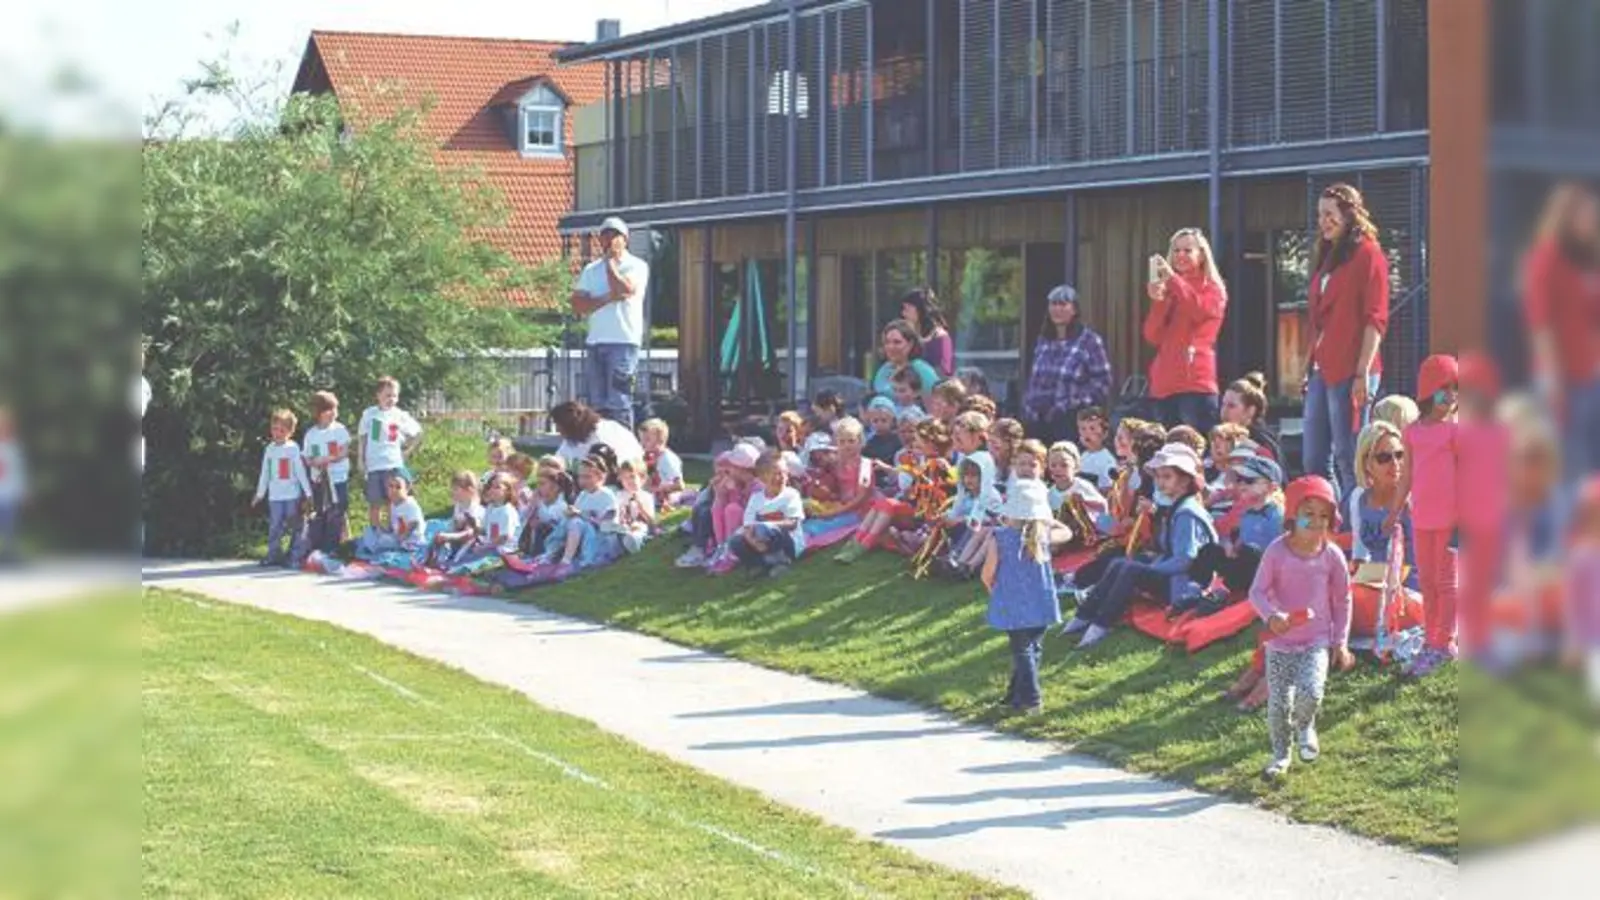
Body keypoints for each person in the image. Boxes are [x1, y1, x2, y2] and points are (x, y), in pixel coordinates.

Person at [1248, 475, 1354, 779]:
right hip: (1280, 644)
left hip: (1316, 641)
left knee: (1312, 691)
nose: (1318, 523)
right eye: (1310, 515)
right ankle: (1280, 756)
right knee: (1279, 705)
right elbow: (1257, 592)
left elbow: (1343, 600)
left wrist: (1341, 642)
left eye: (1325, 516)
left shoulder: (1332, 555)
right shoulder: (1276, 552)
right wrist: (1271, 616)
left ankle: (1306, 725)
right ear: (1292, 515)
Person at [1063, 444, 1216, 648]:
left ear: (1185, 480)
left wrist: (1150, 569)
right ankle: (1085, 615)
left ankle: (1101, 624)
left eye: (1167, 477)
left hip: (1183, 585)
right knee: (1119, 562)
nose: (1160, 483)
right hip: (1173, 574)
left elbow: (1184, 560)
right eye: (1159, 476)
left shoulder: (1186, 513)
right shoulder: (1176, 506)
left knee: (1129, 568)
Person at [1303, 183, 1390, 498]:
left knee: (1348, 455)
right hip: (1322, 368)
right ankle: (1330, 520)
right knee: (1313, 456)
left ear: (1349, 215)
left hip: (1351, 368)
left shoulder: (1368, 254)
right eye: (1320, 215)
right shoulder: (1329, 257)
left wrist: (1362, 371)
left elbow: (1375, 318)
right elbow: (1318, 320)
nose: (1323, 221)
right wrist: (1308, 365)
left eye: (1330, 214)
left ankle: (1358, 530)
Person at [1521, 182, 1600, 477]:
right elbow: (1541, 322)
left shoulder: (1590, 260)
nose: (1592, 221)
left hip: (1592, 374)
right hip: (1563, 377)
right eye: (1586, 215)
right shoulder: (1546, 260)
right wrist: (1552, 379)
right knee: (1570, 459)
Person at [1389, 354, 1461, 677]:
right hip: (1422, 520)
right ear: (1429, 391)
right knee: (1428, 581)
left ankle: (1443, 643)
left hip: (1451, 521)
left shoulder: (1456, 432)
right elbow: (1406, 476)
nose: (1452, 397)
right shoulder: (1412, 432)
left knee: (1448, 583)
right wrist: (1393, 512)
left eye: (1457, 390)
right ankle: (1432, 639)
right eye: (1446, 390)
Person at [980, 479, 1062, 715]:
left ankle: (1032, 699)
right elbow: (1066, 532)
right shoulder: (1044, 536)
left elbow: (988, 571)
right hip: (1041, 600)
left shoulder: (1001, 537)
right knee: (1032, 648)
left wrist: (991, 588)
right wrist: (1049, 521)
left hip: (1012, 600)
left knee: (1021, 649)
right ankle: (1014, 696)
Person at [1142, 228, 1228, 432]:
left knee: (1197, 449)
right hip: (1164, 383)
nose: (1180, 255)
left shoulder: (1213, 289)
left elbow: (1198, 310)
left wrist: (1173, 280)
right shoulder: (1170, 288)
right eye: (1176, 250)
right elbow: (1152, 336)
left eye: (1187, 250)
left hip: (1195, 382)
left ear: (1202, 254)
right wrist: (1158, 302)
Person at [570, 216, 650, 429]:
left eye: (615, 235)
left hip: (623, 341)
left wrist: (612, 264)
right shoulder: (591, 269)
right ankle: (601, 448)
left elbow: (624, 290)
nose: (609, 240)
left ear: (625, 239)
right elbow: (578, 304)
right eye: (605, 235)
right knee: (597, 403)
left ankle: (624, 451)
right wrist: (606, 298)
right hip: (596, 341)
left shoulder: (637, 266)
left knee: (619, 401)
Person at [1022, 283, 1113, 446]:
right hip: (1036, 420)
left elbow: (1103, 383)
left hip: (1068, 421)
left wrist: (1075, 403)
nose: (1057, 309)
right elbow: (1033, 381)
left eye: (1063, 304)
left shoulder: (1089, 341)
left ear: (1075, 309)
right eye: (1053, 304)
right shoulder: (1043, 341)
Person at [355, 376, 423, 532]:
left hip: (393, 464)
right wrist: (361, 458)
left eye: (394, 395)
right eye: (387, 395)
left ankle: (395, 529)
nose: (391, 399)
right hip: (374, 464)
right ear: (378, 395)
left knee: (394, 500)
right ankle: (375, 532)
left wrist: (407, 450)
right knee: (376, 502)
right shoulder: (369, 414)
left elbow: (418, 432)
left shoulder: (399, 415)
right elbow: (363, 437)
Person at [729, 450, 807, 578]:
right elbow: (748, 525)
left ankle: (780, 562)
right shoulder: (756, 498)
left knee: (763, 528)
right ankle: (757, 565)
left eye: (784, 473)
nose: (781, 477)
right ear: (762, 478)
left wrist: (767, 526)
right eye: (776, 474)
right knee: (736, 540)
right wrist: (753, 541)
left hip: (788, 543)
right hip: (761, 541)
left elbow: (793, 523)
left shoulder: (790, 495)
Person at [252, 409, 314, 567]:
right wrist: (260, 493)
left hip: (292, 496)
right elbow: (265, 473)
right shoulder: (270, 450)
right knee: (275, 527)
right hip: (275, 497)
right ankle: (273, 555)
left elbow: (300, 472)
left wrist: (308, 493)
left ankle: (294, 556)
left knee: (295, 526)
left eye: (282, 430)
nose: (277, 433)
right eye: (275, 429)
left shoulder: (293, 449)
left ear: (290, 432)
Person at [302, 391, 352, 554]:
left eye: (335, 409)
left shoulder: (339, 430)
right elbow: (307, 457)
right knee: (320, 512)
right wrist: (314, 462)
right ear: (318, 412)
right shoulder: (311, 434)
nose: (333, 413)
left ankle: (334, 546)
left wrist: (328, 459)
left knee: (337, 510)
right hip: (318, 480)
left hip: (337, 479)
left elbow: (343, 451)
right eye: (328, 409)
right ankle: (318, 545)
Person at [551, 400, 644, 471]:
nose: (558, 430)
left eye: (559, 426)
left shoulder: (602, 437)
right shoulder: (574, 437)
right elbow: (557, 462)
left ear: (571, 425)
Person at [871, 320, 941, 405]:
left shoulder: (922, 370)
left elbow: (936, 404)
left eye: (897, 342)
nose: (891, 347)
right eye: (887, 342)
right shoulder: (884, 370)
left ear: (910, 344)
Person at [426, 471, 484, 569]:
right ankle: (432, 562)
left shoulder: (474, 510)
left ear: (469, 490)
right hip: (459, 536)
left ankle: (449, 564)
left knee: (459, 551)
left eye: (456, 489)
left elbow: (469, 534)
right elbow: (454, 522)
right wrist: (447, 533)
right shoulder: (460, 504)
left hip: (472, 541)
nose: (452, 492)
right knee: (438, 539)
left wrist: (450, 536)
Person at [1218, 373, 1282, 461]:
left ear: (1250, 411)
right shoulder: (1219, 438)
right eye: (1223, 404)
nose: (1224, 411)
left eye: (1231, 406)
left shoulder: (1263, 444)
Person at [900, 287, 955, 379]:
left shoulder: (940, 337)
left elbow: (946, 371)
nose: (904, 314)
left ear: (919, 309)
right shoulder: (907, 335)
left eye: (907, 309)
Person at [637, 418, 684, 510]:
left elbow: (679, 485)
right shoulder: (648, 456)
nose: (642, 443)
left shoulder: (667, 459)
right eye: (641, 439)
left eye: (647, 440)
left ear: (660, 440)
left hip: (665, 499)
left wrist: (654, 489)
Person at [0, 407, 24, 562]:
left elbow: (19, 472)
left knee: (9, 526)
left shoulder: (15, 449)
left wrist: (23, 492)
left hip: (9, 493)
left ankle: (9, 553)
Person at [1075, 407, 1117, 490]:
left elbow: (1108, 489)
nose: (1087, 433)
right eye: (1083, 429)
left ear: (1104, 433)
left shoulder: (1107, 459)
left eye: (1092, 428)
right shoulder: (1082, 456)